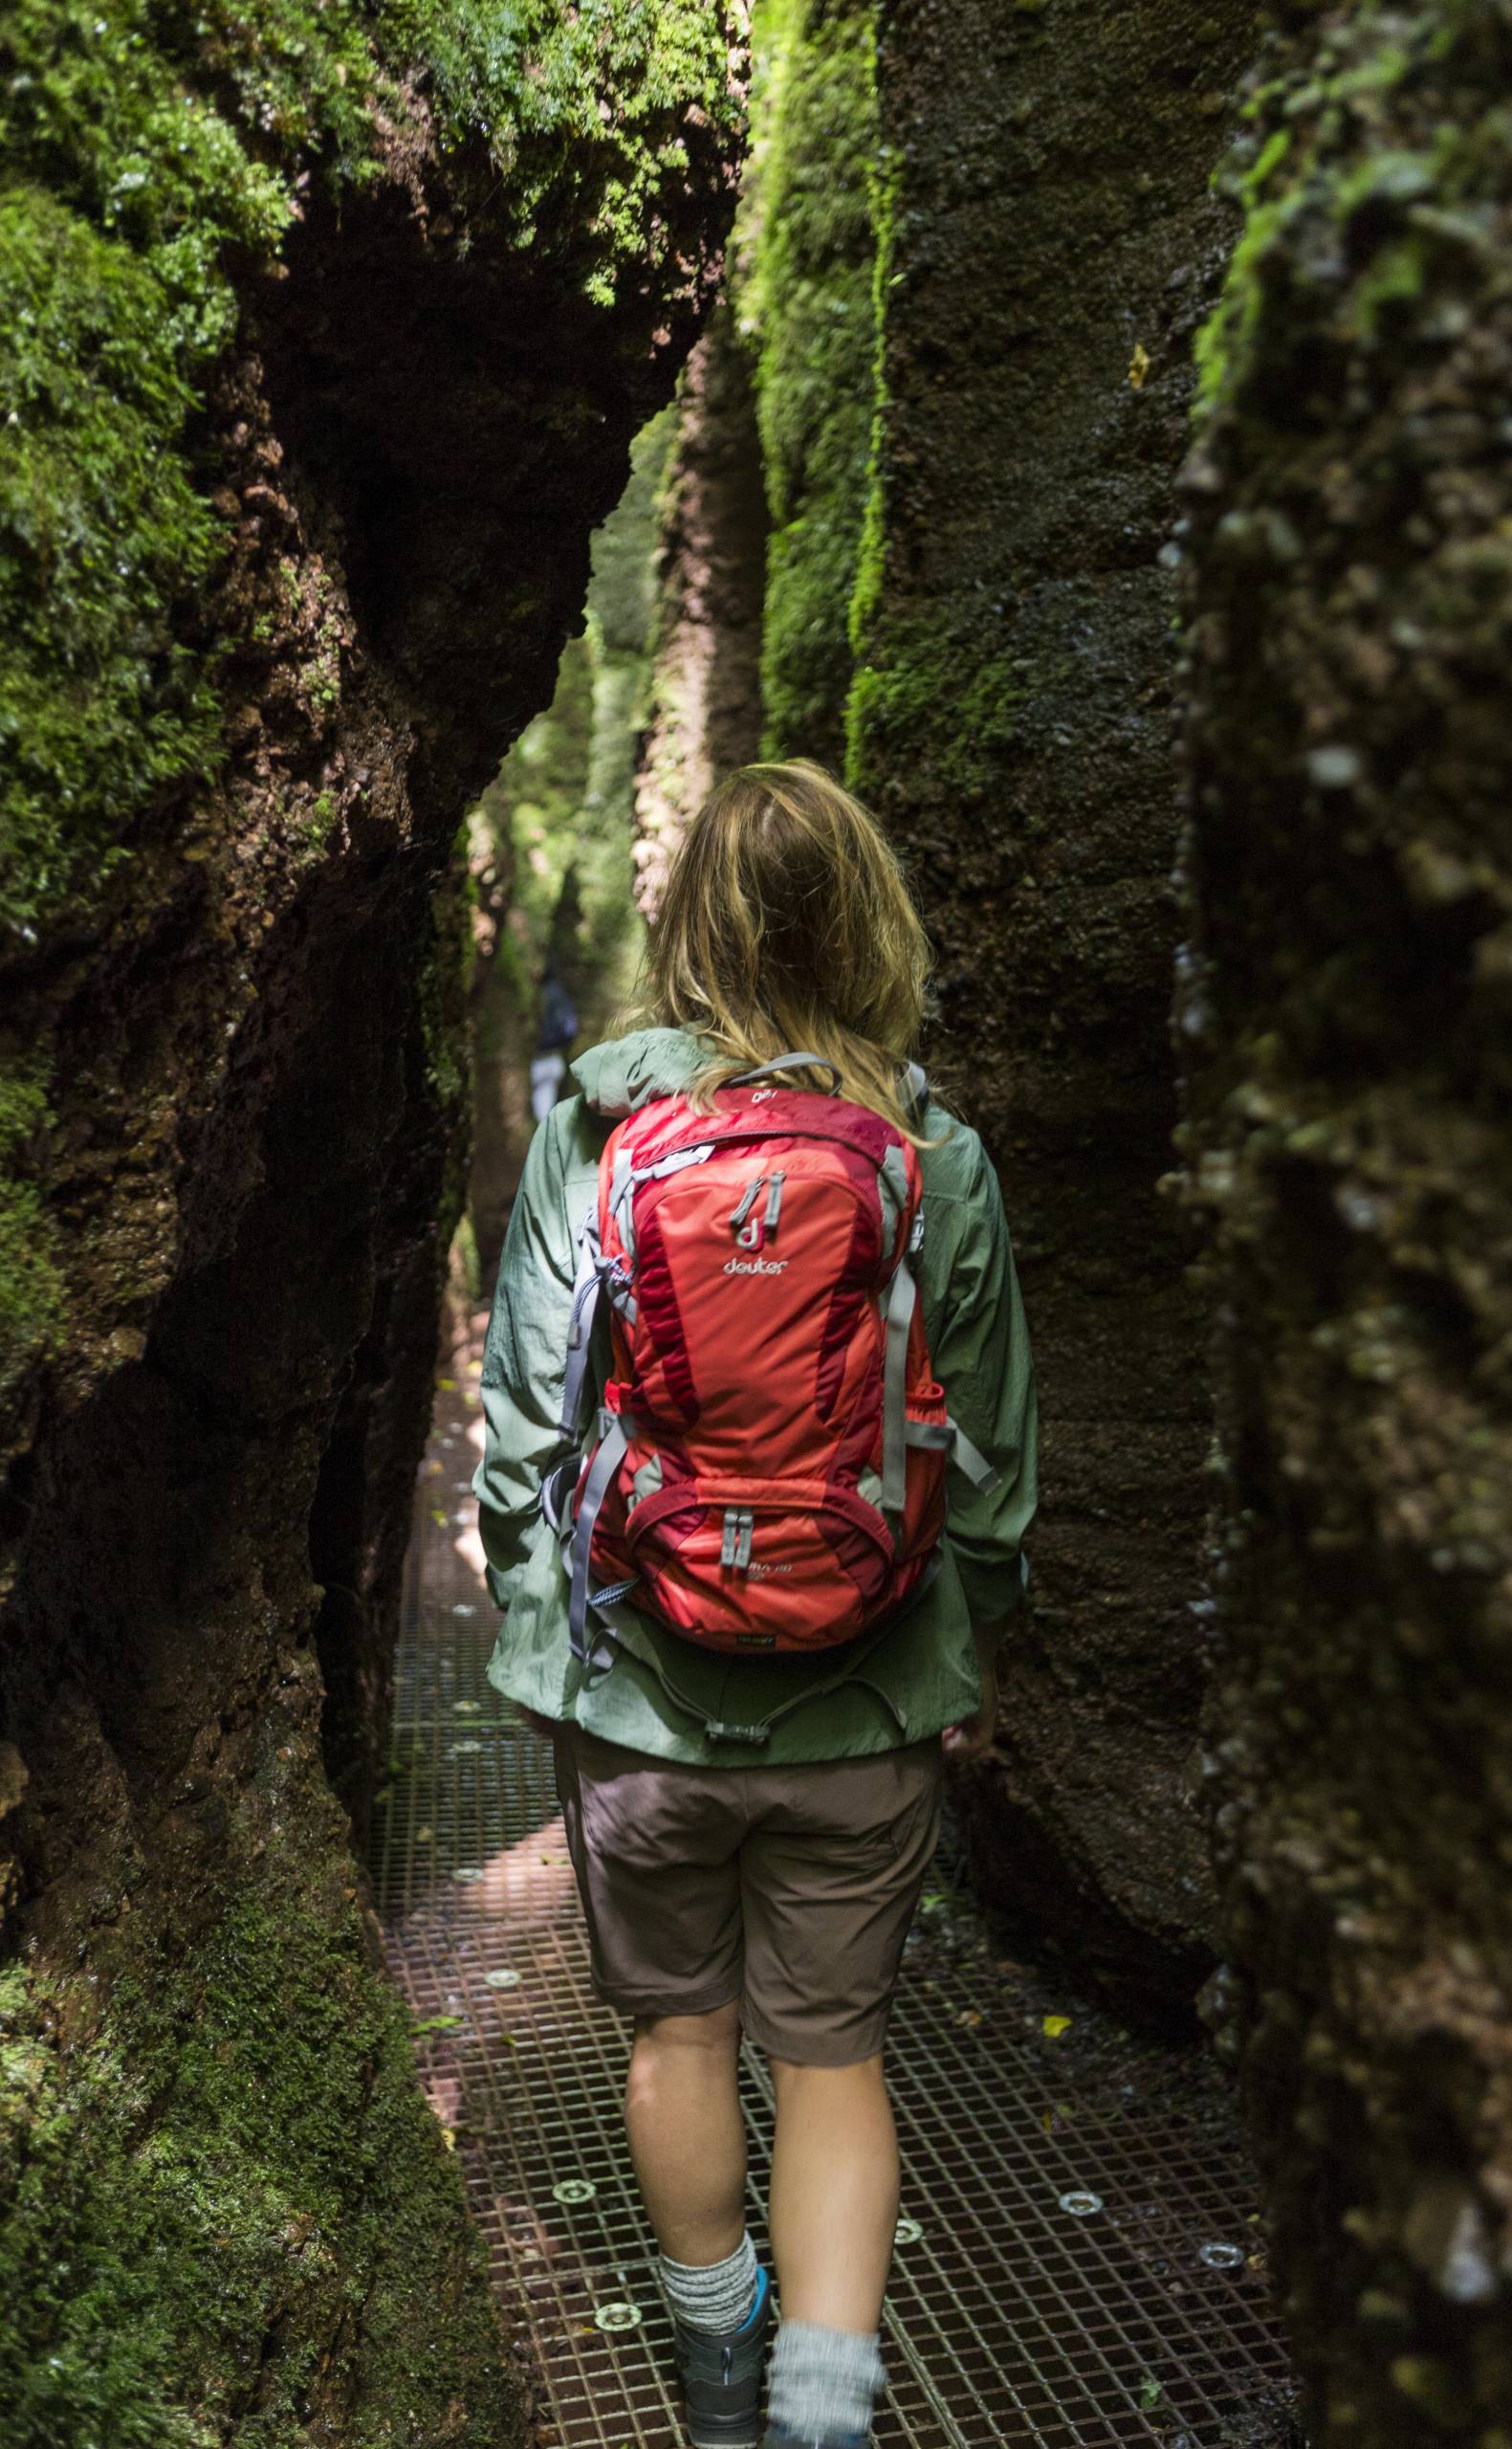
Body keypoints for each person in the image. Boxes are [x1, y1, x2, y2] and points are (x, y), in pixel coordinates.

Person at [475, 761, 1038, 2449]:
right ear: (871, 923)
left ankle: (715, 2370)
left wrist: (542, 1653)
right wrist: (956, 1656)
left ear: (688, 931)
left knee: (677, 2029)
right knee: (832, 2057)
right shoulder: (933, 1156)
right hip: (864, 1706)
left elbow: (523, 1428)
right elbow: (991, 1471)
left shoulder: (594, 1132)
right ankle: (818, 2415)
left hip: (639, 1708)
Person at [530, 961, 580, 1123]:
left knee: (534, 1113)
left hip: (537, 1061)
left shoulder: (541, 996)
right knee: (543, 1113)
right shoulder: (561, 995)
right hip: (553, 1060)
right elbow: (571, 1028)